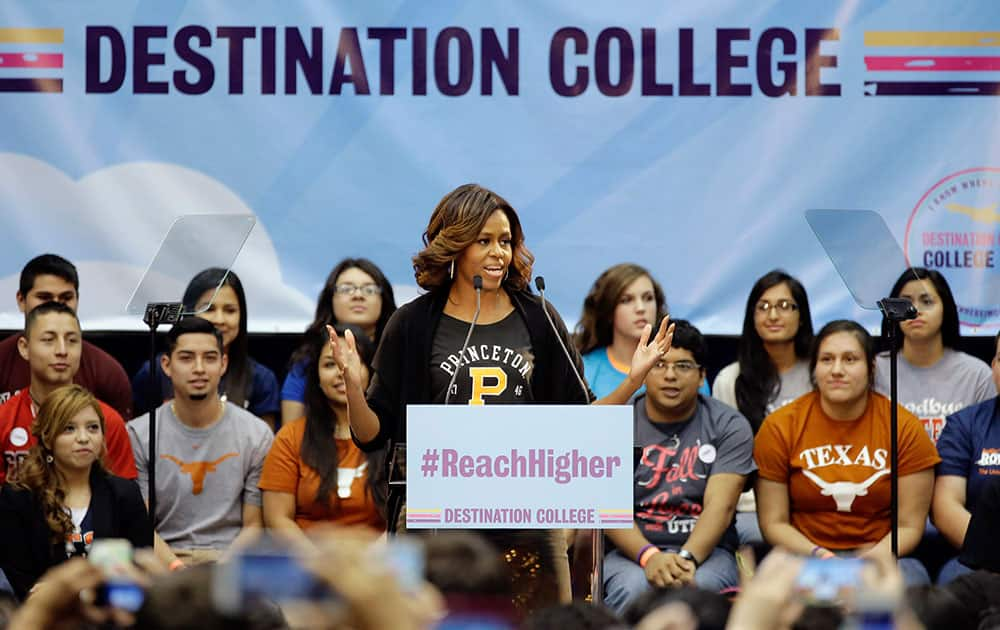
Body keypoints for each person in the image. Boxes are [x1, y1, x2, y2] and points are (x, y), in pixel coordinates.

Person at [327, 183, 672, 613]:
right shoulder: (412, 323)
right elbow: (372, 433)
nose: (498, 253)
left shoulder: (539, 318)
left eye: (506, 242)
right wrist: (354, 391)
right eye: (484, 241)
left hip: (526, 511)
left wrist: (631, 381)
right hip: (437, 518)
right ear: (455, 244)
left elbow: (580, 420)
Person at [754, 320, 941, 585]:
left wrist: (868, 562)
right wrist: (820, 556)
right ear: (814, 368)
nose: (837, 370)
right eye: (827, 359)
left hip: (882, 555)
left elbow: (909, 526)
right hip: (804, 554)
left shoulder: (904, 428)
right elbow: (773, 523)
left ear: (871, 368)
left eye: (850, 359)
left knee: (911, 585)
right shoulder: (779, 427)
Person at [603, 319, 755, 613]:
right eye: (659, 365)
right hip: (630, 551)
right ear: (644, 371)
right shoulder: (619, 421)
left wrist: (687, 559)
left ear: (701, 377)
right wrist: (649, 556)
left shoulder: (728, 424)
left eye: (683, 366)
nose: (670, 375)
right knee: (632, 589)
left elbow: (720, 507)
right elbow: (609, 509)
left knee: (701, 592)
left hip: (707, 553)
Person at [127, 317, 274, 565]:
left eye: (209, 358)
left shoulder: (256, 434)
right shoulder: (139, 434)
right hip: (162, 560)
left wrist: (217, 576)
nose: (199, 368)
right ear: (166, 365)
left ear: (223, 363)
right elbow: (140, 526)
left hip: (231, 561)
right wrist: (176, 571)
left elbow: (254, 525)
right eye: (186, 358)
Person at [0, 385, 152, 600]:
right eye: (69, 429)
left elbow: (141, 567)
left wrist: (73, 592)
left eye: (92, 427)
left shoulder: (124, 494)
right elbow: (22, 582)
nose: (83, 438)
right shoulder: (18, 498)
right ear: (47, 438)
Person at [711, 270, 815, 549]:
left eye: (784, 306)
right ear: (752, 317)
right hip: (750, 506)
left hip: (814, 502)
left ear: (801, 315)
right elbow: (728, 460)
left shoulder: (823, 373)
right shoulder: (730, 380)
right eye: (763, 307)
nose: (773, 316)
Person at [260, 324, 385, 545]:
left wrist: (367, 570)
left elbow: (406, 516)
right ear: (315, 376)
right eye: (330, 364)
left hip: (379, 569)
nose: (342, 371)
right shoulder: (291, 437)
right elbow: (278, 519)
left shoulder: (392, 436)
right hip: (307, 568)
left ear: (372, 372)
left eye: (353, 361)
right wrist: (322, 567)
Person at [0, 302, 136, 484]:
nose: (62, 351)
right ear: (24, 348)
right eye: (49, 340)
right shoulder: (4, 419)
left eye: (72, 341)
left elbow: (124, 501)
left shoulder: (107, 421)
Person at [132, 268, 280, 429]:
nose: (219, 319)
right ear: (188, 313)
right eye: (209, 309)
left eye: (230, 310)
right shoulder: (154, 372)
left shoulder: (261, 379)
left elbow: (264, 448)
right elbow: (141, 435)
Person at [0, 254, 132, 418]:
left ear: (77, 299)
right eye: (45, 298)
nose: (55, 304)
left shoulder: (106, 373)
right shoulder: (3, 361)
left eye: (66, 298)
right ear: (21, 300)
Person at [875, 268, 993, 445]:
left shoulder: (977, 375)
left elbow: (988, 449)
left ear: (946, 308)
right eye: (905, 303)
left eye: (927, 301)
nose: (915, 311)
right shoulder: (875, 370)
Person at [280, 258, 396, 425]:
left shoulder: (399, 355)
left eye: (369, 290)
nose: (358, 295)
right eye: (347, 289)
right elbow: (291, 435)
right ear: (330, 298)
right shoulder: (309, 360)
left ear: (383, 299)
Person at [933, 331, 1000, 582]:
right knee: (953, 583)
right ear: (993, 366)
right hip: (980, 558)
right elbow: (945, 506)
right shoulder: (965, 424)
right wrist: (990, 553)